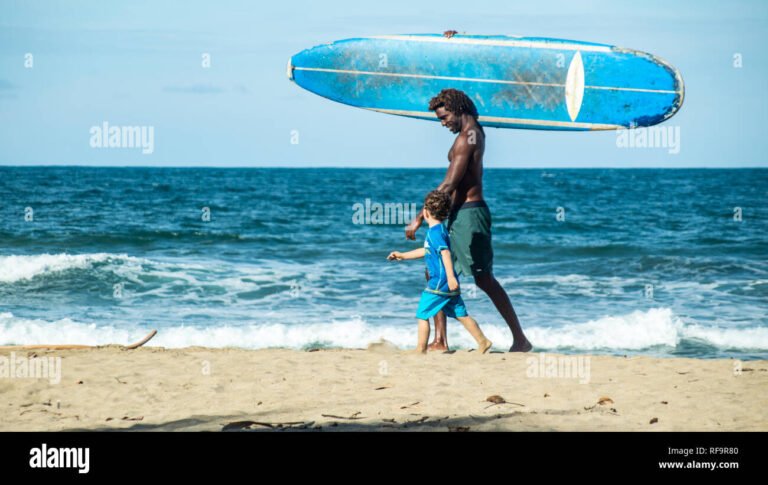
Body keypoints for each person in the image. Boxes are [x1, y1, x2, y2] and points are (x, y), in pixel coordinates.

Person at [405, 88, 533, 352]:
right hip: (460, 214)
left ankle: (520, 339)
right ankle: (440, 341)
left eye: (444, 117)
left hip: (470, 215)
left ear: (458, 109)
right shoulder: (471, 132)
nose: (443, 123)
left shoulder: (468, 137)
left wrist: (419, 217)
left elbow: (449, 183)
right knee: (435, 269)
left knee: (483, 279)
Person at [388, 190, 492, 354]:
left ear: (426, 212)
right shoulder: (441, 230)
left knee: (422, 314)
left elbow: (445, 253)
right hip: (448, 282)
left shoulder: (435, 233)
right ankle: (483, 341)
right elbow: (427, 250)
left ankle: (420, 349)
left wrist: (450, 277)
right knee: (460, 314)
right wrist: (403, 255)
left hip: (439, 281)